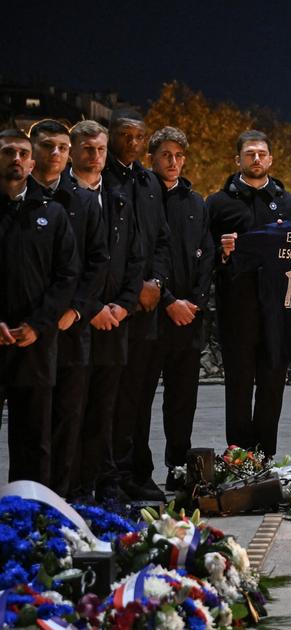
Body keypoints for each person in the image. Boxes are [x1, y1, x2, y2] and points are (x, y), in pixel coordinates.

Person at [208, 130, 291, 458]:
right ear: (238, 160)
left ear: (271, 159)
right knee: (238, 386)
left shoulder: (289, 203)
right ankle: (237, 455)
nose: (257, 159)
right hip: (237, 311)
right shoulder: (218, 203)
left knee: (273, 385)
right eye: (250, 154)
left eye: (262, 153)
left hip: (277, 311)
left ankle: (264, 457)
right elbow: (203, 254)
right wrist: (221, 252)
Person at [30, 120, 108, 497]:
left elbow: (97, 261)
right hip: (28, 329)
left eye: (62, 147)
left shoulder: (82, 201)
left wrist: (76, 310)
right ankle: (25, 499)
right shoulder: (18, 198)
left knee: (67, 420)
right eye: (48, 146)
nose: (56, 154)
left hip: (72, 328)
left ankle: (60, 501)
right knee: (31, 424)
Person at [70, 120, 146, 502]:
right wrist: (92, 307)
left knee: (107, 410)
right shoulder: (62, 197)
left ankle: (103, 483)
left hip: (116, 320)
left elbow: (135, 256)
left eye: (100, 150)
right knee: (73, 410)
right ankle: (73, 488)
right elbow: (66, 266)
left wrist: (123, 304)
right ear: (73, 151)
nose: (95, 156)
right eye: (88, 149)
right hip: (78, 323)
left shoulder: (118, 197)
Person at [0, 129, 80, 485]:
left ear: (32, 163)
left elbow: (67, 276)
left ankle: (31, 518)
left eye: (21, 153)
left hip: (35, 342)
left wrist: (37, 323)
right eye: (7, 152)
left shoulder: (54, 213)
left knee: (34, 439)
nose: (15, 159)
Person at [141, 126, 213, 490]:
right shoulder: (140, 195)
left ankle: (178, 467)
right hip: (152, 317)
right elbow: (142, 256)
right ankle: (137, 470)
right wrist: (169, 302)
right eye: (166, 155)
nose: (173, 162)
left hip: (189, 319)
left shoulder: (195, 201)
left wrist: (195, 303)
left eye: (179, 155)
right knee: (140, 400)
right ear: (151, 157)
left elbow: (206, 255)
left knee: (183, 401)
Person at [106, 110, 172, 502]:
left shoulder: (148, 182)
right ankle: (108, 476)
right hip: (114, 310)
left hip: (147, 306)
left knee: (140, 396)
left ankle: (135, 471)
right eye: (125, 136)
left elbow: (159, 241)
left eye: (138, 137)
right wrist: (129, 295)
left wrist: (157, 285)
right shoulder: (103, 178)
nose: (132, 143)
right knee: (109, 398)